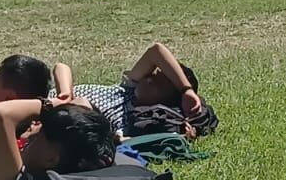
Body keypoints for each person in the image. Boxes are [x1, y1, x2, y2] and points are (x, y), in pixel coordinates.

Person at [61, 42, 217, 140]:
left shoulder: (129, 120)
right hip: (55, 95)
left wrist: (179, 136)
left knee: (81, 105)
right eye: (154, 74)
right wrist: (186, 89)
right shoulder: (127, 89)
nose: (149, 78)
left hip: (54, 118)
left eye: (159, 83)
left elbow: (123, 140)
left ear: (165, 101)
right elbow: (156, 51)